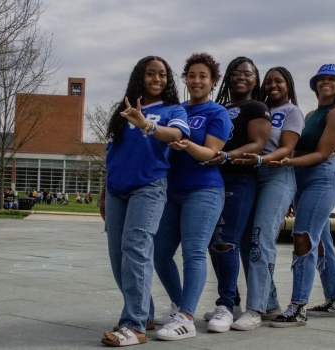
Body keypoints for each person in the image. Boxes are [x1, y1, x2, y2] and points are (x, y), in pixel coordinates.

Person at [99, 56, 190, 346]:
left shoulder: (173, 109)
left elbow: (175, 134)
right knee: (118, 256)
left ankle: (134, 326)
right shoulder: (122, 110)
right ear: (140, 76)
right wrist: (103, 192)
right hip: (116, 190)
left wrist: (146, 125)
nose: (157, 79)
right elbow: (112, 154)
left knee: (135, 249)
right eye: (150, 73)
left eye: (162, 74)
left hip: (148, 187)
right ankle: (145, 312)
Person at [153, 53, 232, 341]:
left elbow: (212, 153)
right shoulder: (175, 108)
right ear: (185, 79)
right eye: (192, 75)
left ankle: (186, 318)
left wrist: (186, 146)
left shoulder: (216, 113)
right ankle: (179, 306)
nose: (196, 81)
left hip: (204, 189)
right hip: (171, 190)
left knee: (194, 252)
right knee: (159, 253)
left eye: (203, 76)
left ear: (212, 82)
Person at [269, 63, 335, 327]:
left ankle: (298, 307)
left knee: (303, 237)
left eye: (331, 79)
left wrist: (287, 163)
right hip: (303, 180)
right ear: (315, 85)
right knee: (322, 242)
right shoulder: (313, 113)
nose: (325, 83)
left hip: (322, 179)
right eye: (321, 79)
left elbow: (321, 154)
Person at [231, 67, 305, 330]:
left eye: (279, 81)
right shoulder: (258, 108)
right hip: (253, 176)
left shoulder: (291, 112)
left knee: (260, 239)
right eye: (269, 81)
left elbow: (286, 148)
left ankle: (255, 309)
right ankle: (270, 302)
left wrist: (262, 159)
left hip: (277, 176)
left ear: (288, 84)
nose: (273, 85)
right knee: (244, 239)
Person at [202, 57, 272, 333]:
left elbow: (258, 143)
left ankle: (226, 305)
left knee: (227, 241)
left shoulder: (257, 107)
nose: (241, 77)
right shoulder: (220, 107)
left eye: (248, 73)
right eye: (236, 73)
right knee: (212, 241)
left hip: (240, 179)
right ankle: (232, 301)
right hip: (212, 179)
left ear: (256, 80)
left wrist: (226, 156)